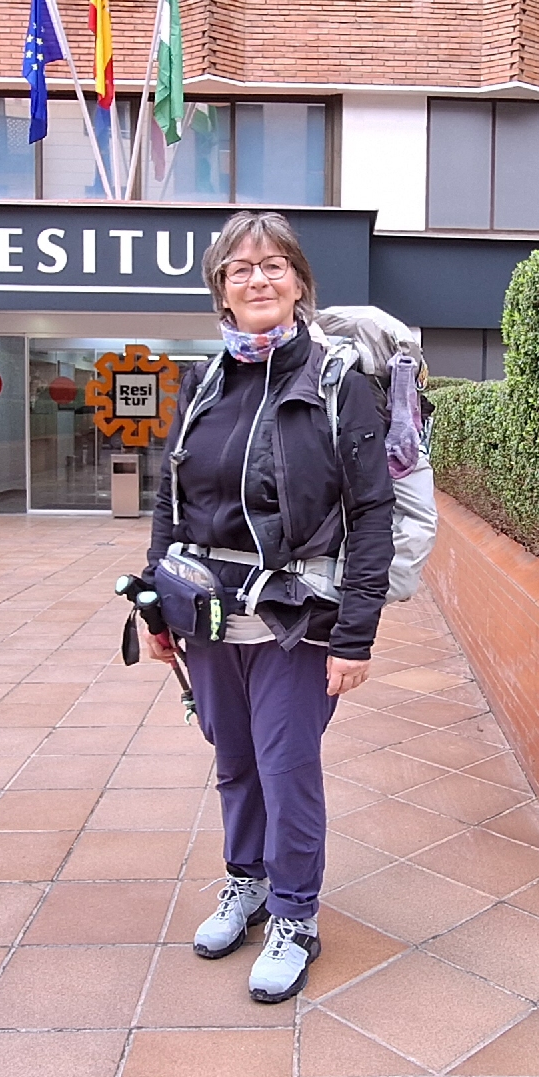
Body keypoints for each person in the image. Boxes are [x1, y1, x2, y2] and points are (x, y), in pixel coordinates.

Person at [142, 211, 395, 1003]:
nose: (259, 279)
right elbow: (170, 498)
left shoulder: (335, 381)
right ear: (221, 289)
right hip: (211, 618)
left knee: (287, 771)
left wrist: (356, 637)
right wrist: (156, 604)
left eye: (274, 266)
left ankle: (294, 914)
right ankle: (246, 881)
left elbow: (372, 512)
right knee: (234, 763)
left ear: (298, 283)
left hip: (297, 622)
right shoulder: (204, 379)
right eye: (241, 268)